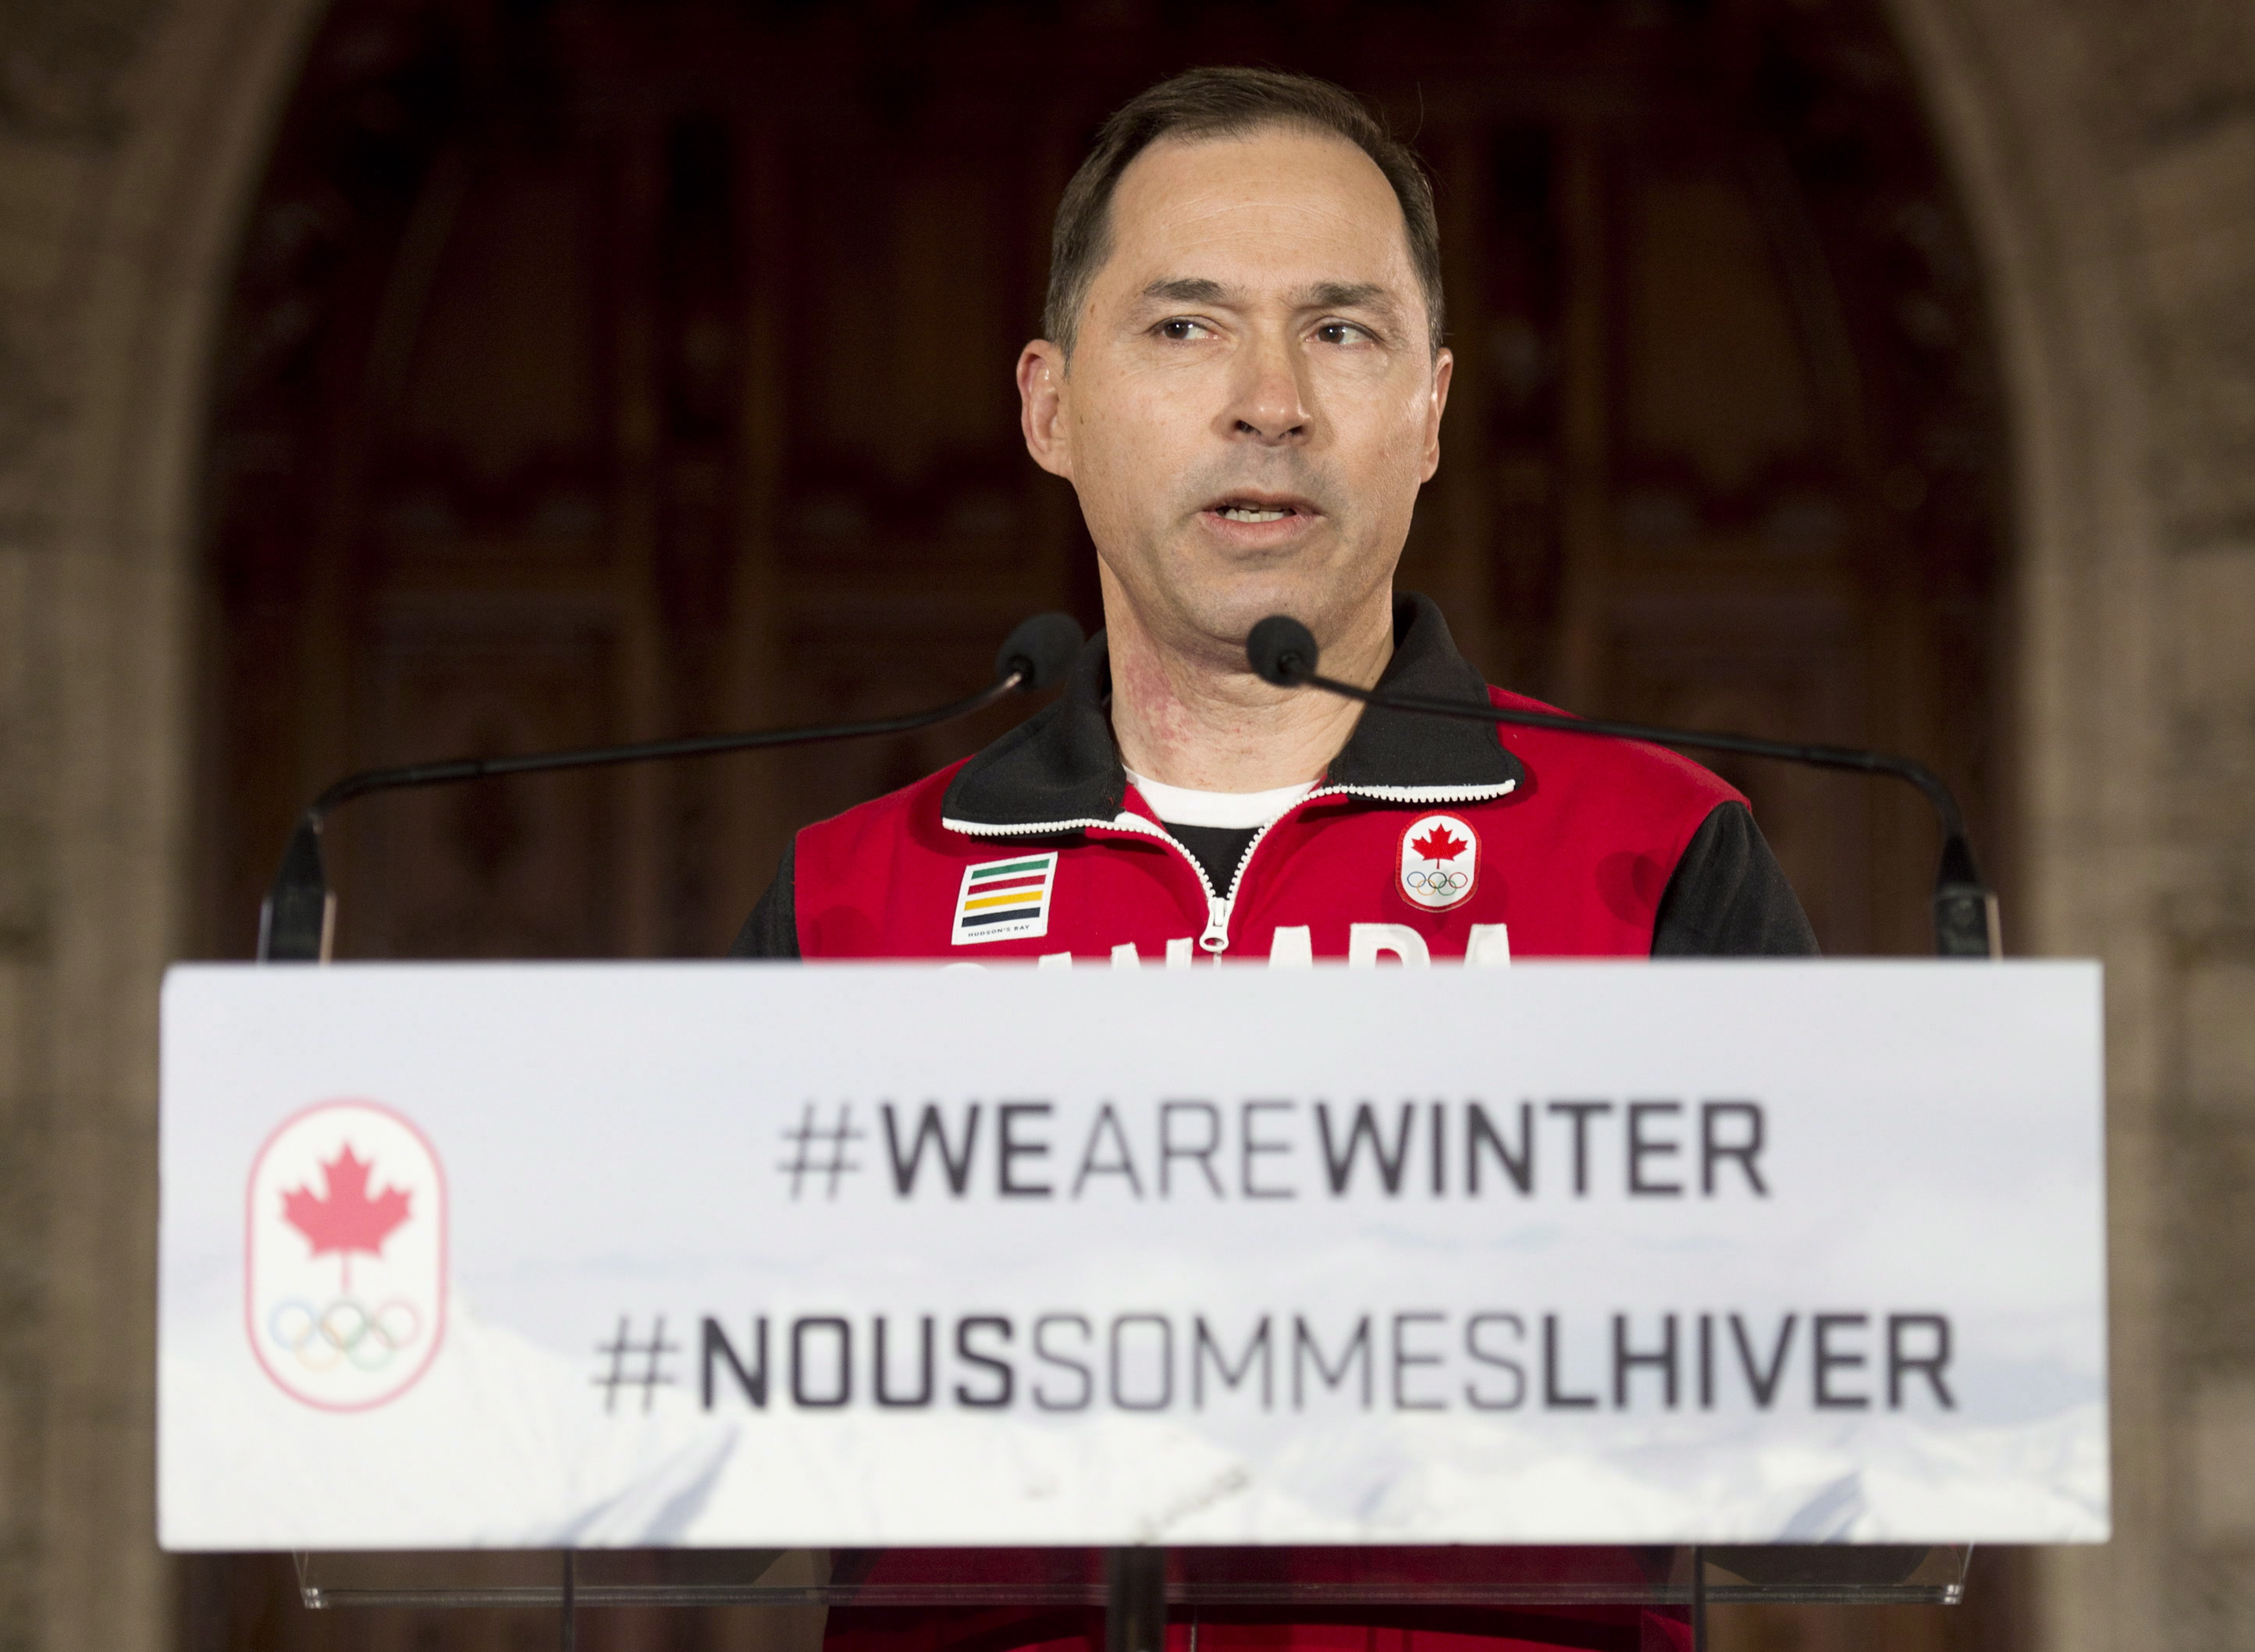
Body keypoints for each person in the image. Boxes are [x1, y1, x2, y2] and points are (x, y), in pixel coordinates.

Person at [737, 65, 1812, 1652]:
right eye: (1186, 326)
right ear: (1049, 406)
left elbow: (1845, 1512)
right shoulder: (852, 905)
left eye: (1342, 330)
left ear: (1429, 410)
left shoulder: (1657, 856)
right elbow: (680, 1494)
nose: (1270, 399)